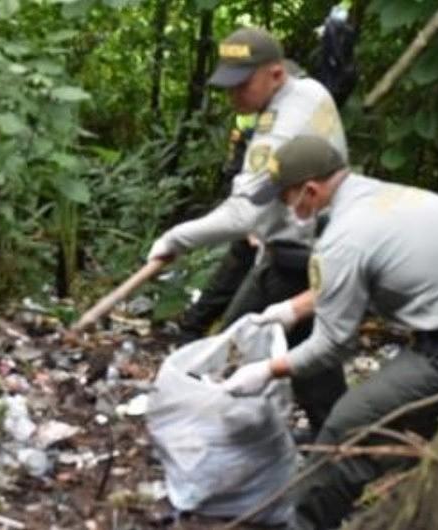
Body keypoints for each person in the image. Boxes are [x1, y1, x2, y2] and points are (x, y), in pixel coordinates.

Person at [221, 135, 438, 529]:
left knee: (347, 430)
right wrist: (292, 309)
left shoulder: (344, 236)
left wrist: (267, 370)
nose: (285, 208)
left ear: (311, 190)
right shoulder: (374, 197)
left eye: (286, 198)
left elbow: (334, 344)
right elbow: (361, 272)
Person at [148, 26, 348, 433]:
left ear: (275, 74)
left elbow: (243, 214)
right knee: (246, 343)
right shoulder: (302, 92)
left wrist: (175, 239)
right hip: (284, 249)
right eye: (229, 86)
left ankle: (341, 452)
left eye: (243, 85)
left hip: (304, 257)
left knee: (301, 364)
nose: (234, 97)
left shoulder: (287, 119)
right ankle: (228, 431)